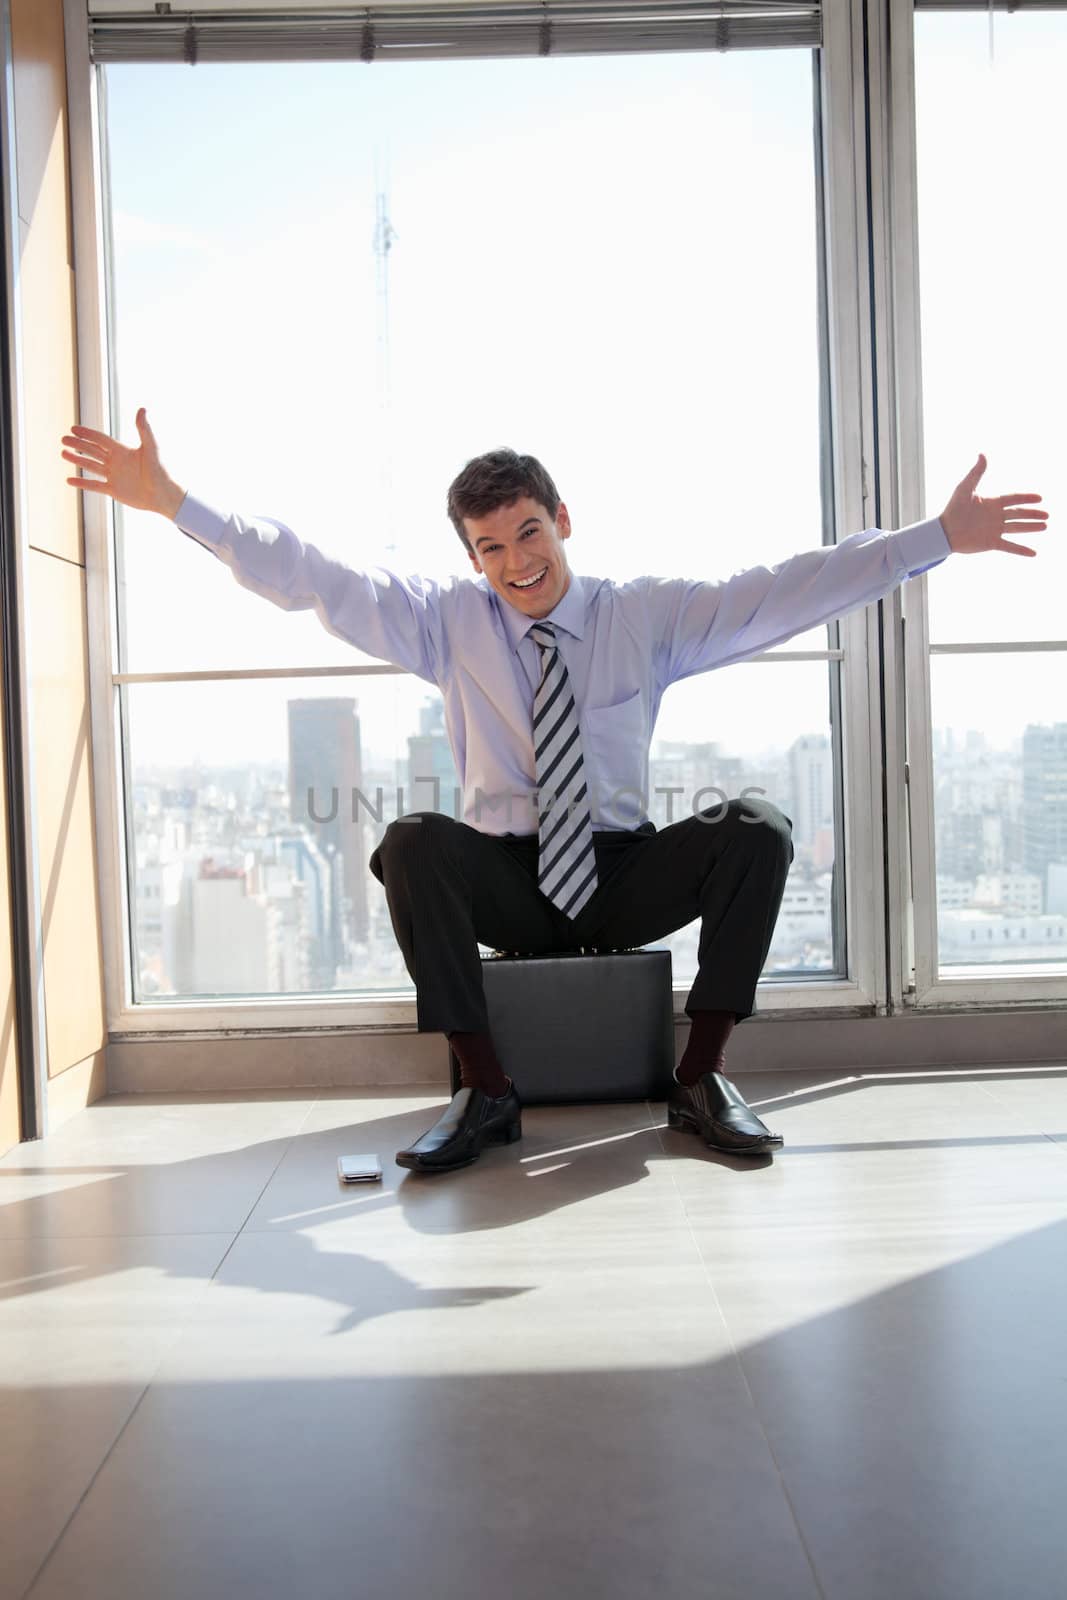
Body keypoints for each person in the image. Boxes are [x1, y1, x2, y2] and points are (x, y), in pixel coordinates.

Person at [61, 410, 1049, 1173]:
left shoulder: (642, 616)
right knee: (408, 840)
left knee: (756, 825)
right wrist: (178, 503)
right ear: (470, 557)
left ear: (561, 519)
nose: (515, 564)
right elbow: (314, 577)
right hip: (510, 876)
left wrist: (932, 538)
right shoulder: (445, 624)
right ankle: (485, 1094)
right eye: (488, 549)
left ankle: (700, 1079)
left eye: (527, 534)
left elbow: (786, 586)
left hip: (620, 870)